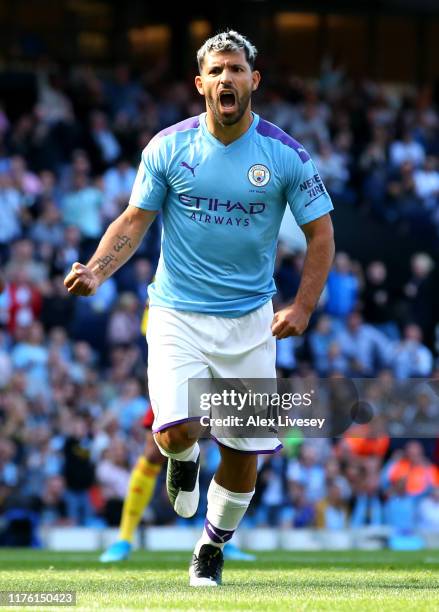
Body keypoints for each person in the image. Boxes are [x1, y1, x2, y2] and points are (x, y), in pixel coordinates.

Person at [64, 30, 335, 586]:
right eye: (216, 71)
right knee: (176, 431)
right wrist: (95, 268)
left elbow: (322, 234)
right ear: (200, 84)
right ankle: (181, 461)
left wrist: (303, 307)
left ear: (253, 80)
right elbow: (133, 222)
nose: (226, 79)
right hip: (176, 313)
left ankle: (211, 546)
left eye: (236, 69)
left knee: (242, 456)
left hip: (252, 320)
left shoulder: (285, 154)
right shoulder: (168, 146)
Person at [100, 406, 255, 562]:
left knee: (232, 446)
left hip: (222, 385)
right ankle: (124, 539)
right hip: (177, 383)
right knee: (153, 451)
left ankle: (220, 539)